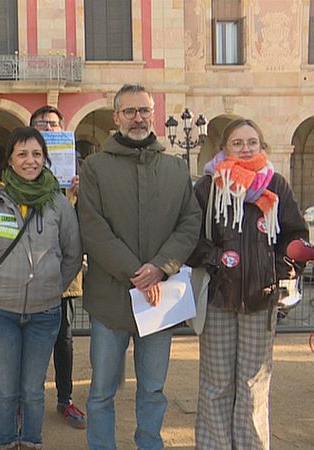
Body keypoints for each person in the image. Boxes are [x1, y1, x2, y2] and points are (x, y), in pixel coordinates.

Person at [78, 84, 201, 450]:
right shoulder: (95, 167)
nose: (138, 118)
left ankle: (150, 443)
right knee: (101, 390)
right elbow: (93, 228)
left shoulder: (175, 168)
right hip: (110, 300)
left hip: (158, 300)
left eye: (144, 110)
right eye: (129, 111)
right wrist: (137, 272)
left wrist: (161, 266)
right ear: (117, 117)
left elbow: (189, 223)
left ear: (153, 114)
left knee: (153, 389)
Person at [0, 127, 82, 450]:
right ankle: (5, 442)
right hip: (1, 312)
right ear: (10, 160)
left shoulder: (58, 203)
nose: (30, 161)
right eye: (22, 154)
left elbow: (72, 254)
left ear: (45, 158)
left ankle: (31, 442)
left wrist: (51, 286)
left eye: (37, 154)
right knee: (6, 391)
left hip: (45, 313)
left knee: (33, 390)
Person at [187, 119, 307, 450]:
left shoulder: (276, 185)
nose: (245, 148)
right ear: (224, 148)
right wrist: (216, 259)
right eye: (237, 143)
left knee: (253, 386)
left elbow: (295, 235)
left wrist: (280, 269)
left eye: (252, 142)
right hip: (218, 299)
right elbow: (189, 237)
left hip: (261, 300)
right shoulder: (208, 187)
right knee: (216, 385)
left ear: (261, 145)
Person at [29, 104, 86, 429]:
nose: (47, 128)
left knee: (64, 340)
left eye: (52, 123)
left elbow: (83, 224)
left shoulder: (76, 171)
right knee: (30, 341)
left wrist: (80, 195)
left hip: (64, 274)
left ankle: (65, 399)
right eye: (41, 123)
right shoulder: (22, 166)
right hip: (29, 272)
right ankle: (26, 399)